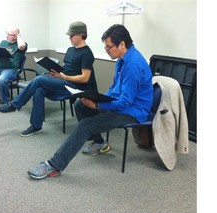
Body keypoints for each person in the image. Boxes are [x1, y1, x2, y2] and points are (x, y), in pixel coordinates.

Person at [27, 24, 154, 180]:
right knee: (80, 104)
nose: (106, 50)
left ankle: (55, 165)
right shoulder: (122, 59)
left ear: (122, 44)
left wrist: (99, 105)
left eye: (109, 47)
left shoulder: (133, 65)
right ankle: (100, 142)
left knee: (85, 125)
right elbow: (114, 87)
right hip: (122, 103)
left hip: (133, 111)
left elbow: (125, 102)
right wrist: (99, 98)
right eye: (105, 47)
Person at [0, 21, 96, 137]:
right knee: (39, 90)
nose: (69, 38)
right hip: (63, 81)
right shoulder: (70, 50)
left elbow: (85, 78)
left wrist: (64, 76)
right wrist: (57, 72)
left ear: (81, 35)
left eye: (72, 35)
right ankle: (36, 126)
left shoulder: (87, 53)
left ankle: (15, 105)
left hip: (74, 87)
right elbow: (67, 68)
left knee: (39, 79)